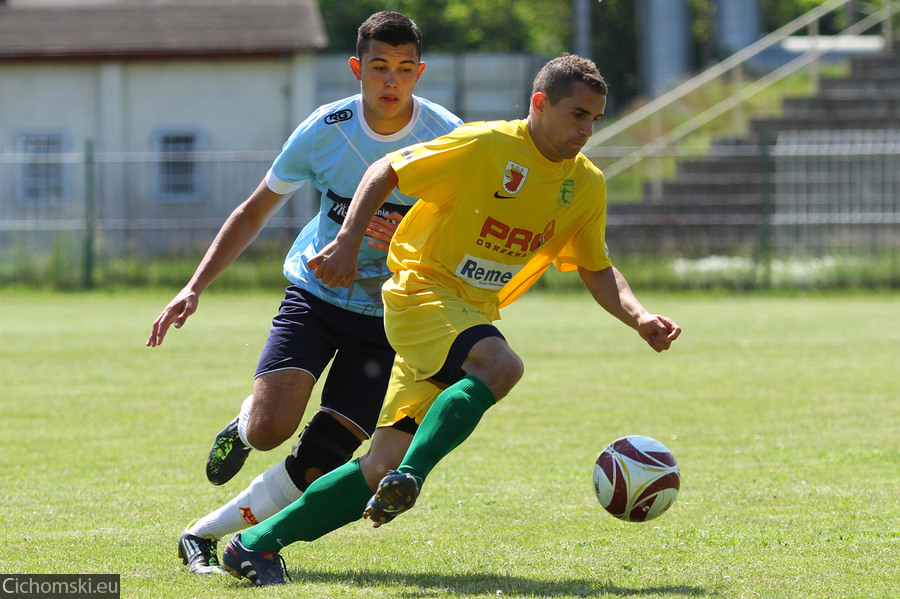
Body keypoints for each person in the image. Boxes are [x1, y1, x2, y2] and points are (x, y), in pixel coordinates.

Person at [216, 53, 682, 586]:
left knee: (376, 467)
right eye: (577, 114)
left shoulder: (587, 184)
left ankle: (253, 546)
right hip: (422, 291)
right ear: (539, 104)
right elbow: (384, 169)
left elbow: (597, 269)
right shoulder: (487, 145)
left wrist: (640, 316)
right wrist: (347, 241)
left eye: (594, 119)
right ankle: (412, 476)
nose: (586, 129)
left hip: (467, 313)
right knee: (500, 366)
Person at [145, 11, 463, 575]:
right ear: (356, 68)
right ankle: (244, 425)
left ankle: (202, 534)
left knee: (321, 461)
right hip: (315, 299)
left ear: (420, 72)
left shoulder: (446, 137)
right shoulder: (326, 129)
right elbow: (252, 212)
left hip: (391, 319)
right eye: (380, 68)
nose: (392, 82)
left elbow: (468, 231)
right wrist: (193, 287)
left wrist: (414, 237)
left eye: (405, 69)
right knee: (271, 430)